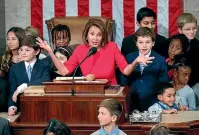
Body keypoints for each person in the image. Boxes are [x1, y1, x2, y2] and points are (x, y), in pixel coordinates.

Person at [37, 18, 144, 85]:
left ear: (103, 36)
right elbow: (64, 71)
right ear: (86, 35)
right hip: (88, 91)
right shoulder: (80, 50)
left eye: (99, 35)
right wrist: (50, 52)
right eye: (92, 34)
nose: (95, 38)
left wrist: (135, 62)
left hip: (109, 91)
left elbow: (126, 70)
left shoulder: (112, 47)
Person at [121, 27, 168, 112]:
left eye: (147, 42)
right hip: (132, 104)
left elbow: (163, 84)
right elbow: (124, 81)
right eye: (141, 42)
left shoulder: (160, 60)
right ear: (136, 43)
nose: (144, 45)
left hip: (153, 104)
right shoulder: (129, 57)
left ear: (153, 43)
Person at [8, 36, 51, 116]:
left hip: (42, 107)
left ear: (37, 51)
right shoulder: (15, 68)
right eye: (21, 50)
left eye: (27, 50)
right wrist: (12, 106)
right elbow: (12, 91)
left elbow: (46, 81)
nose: (23, 53)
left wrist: (25, 86)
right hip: (22, 109)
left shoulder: (44, 65)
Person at [0, 27, 26, 111]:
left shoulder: (26, 56)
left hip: (19, 89)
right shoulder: (5, 56)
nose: (10, 42)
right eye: (8, 39)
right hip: (5, 91)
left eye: (13, 39)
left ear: (21, 40)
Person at [177, 13, 199, 87]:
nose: (192, 32)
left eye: (194, 28)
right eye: (188, 29)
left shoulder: (197, 45)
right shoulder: (171, 43)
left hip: (193, 83)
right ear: (180, 30)